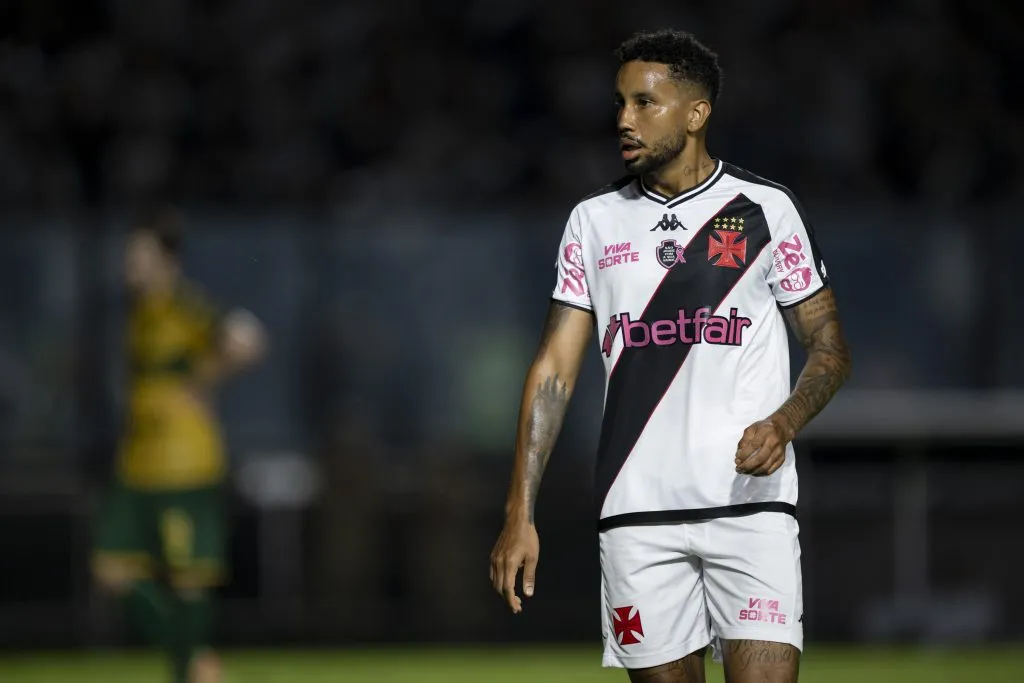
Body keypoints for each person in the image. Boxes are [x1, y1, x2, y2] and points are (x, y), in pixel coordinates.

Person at [490, 29, 852, 683]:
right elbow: (553, 373)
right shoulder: (594, 221)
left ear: (696, 112)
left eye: (644, 103)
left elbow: (829, 347)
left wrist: (786, 421)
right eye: (620, 103)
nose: (623, 120)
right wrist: (521, 512)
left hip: (751, 505)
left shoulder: (761, 211)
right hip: (637, 514)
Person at [91, 211, 267, 683]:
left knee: (190, 578)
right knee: (111, 570)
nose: (130, 264)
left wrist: (205, 380)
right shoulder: (140, 314)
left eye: (141, 255)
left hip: (184, 462)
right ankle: (196, 664)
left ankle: (189, 670)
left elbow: (248, 338)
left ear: (168, 261)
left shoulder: (184, 307)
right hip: (138, 463)